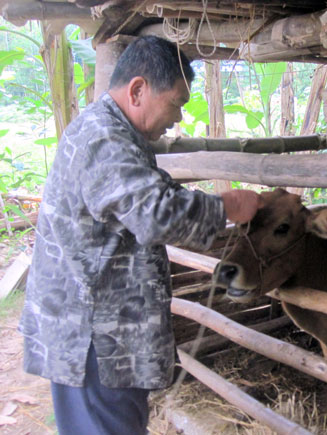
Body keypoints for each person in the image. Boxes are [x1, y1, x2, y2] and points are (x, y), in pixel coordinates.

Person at [18, 35, 262, 435]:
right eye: (177, 103)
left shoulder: (115, 134)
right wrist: (228, 207)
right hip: (94, 340)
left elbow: (150, 194)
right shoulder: (104, 139)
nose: (179, 118)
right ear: (137, 90)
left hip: (102, 335)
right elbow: (155, 215)